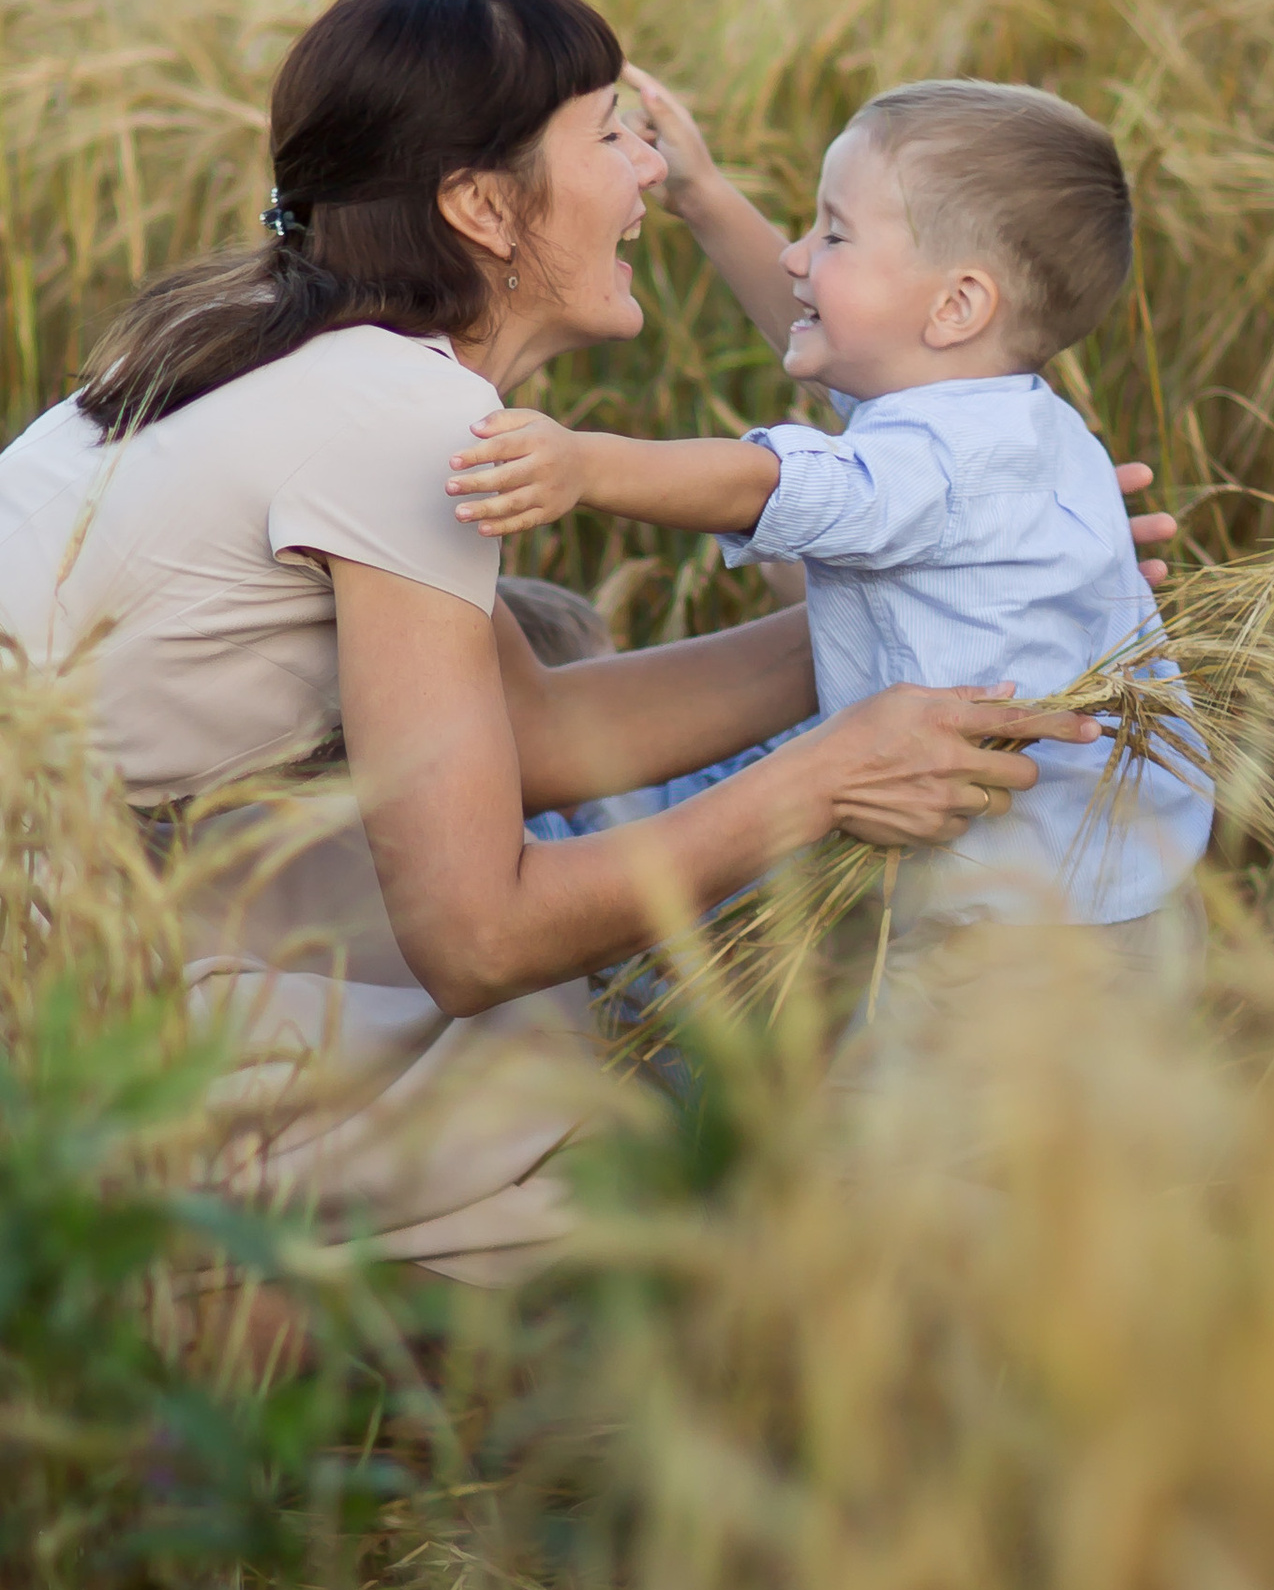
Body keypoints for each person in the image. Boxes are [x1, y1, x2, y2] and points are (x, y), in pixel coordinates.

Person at [0, 0, 1174, 1282]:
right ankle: (187, 1330)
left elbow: (545, 733)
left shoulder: (292, 331)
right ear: (480, 206)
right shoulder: (400, 422)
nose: (649, 169)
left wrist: (961, 610)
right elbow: (473, 937)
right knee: (603, 1124)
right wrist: (821, 778)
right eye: (607, 136)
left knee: (561, 688)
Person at [449, 71, 1209, 947]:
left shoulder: (937, 458)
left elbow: (774, 483)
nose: (796, 256)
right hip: (1119, 891)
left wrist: (587, 464)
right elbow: (837, 338)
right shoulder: (1003, 414)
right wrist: (706, 199)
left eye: (835, 234)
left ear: (957, 304)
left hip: (1006, 926)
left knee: (896, 1090)